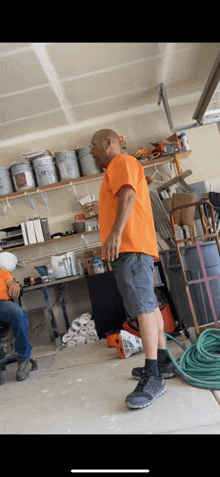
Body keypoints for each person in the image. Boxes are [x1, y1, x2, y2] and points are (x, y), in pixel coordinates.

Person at [90, 129, 175, 410]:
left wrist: (115, 234)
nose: (91, 152)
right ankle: (162, 363)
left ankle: (153, 377)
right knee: (148, 306)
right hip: (134, 247)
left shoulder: (121, 163)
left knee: (143, 308)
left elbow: (127, 196)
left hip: (131, 246)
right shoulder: (118, 167)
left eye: (94, 147)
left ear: (108, 143)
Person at [0, 254, 32, 382]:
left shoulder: (2, 272)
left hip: (2, 305)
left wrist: (16, 284)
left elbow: (11, 282)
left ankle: (24, 360)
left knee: (18, 313)